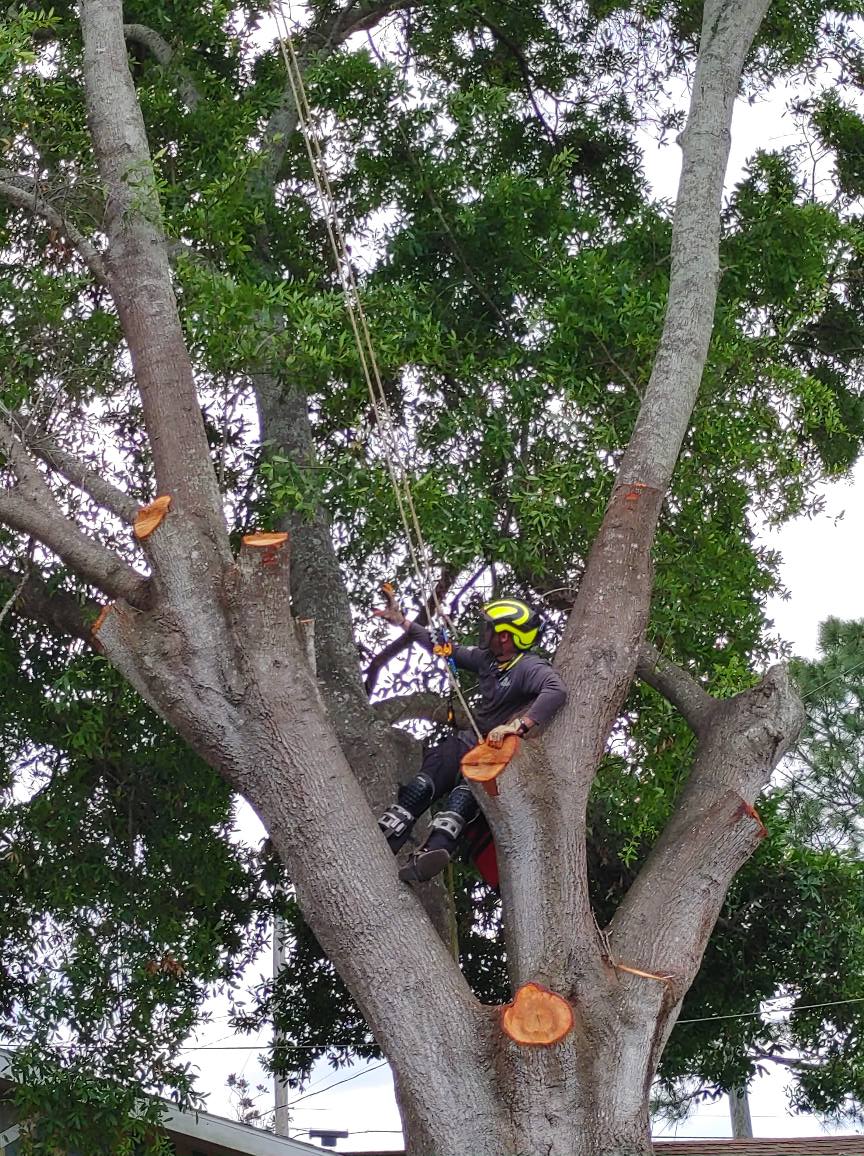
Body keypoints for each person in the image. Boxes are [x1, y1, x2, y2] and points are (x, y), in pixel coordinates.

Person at [374, 593, 568, 883]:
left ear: (506, 637)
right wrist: (402, 622)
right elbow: (443, 648)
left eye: (491, 628)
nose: (486, 632)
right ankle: (394, 827)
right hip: (469, 740)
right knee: (435, 769)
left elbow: (556, 690)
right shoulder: (486, 660)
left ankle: (434, 850)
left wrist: (518, 726)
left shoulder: (528, 667)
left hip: (493, 751)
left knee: (465, 793)